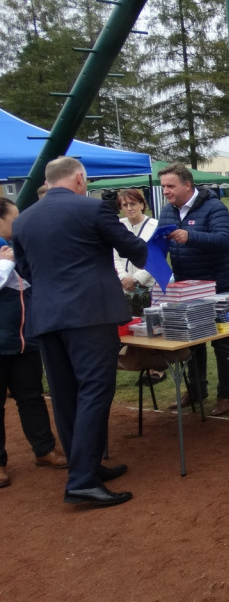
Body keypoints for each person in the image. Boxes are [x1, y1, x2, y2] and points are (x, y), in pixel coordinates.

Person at [12, 157, 146, 507]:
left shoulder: (23, 219)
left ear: (48, 181)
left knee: (65, 394)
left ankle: (85, 466)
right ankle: (83, 480)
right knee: (95, 390)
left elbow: (25, 269)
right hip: (90, 314)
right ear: (79, 179)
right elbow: (135, 250)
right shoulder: (93, 209)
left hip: (47, 316)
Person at [157, 163, 229, 416]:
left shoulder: (214, 207)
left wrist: (190, 236)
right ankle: (196, 390)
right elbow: (161, 246)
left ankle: (226, 395)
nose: (166, 191)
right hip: (185, 288)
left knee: (222, 341)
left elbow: (226, 241)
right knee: (191, 341)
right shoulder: (167, 211)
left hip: (217, 285)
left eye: (170, 186)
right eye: (163, 187)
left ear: (187, 185)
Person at [0, 197, 66, 489]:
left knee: (32, 396)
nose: (19, 223)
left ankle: (44, 449)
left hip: (26, 338)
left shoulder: (17, 246)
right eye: (14, 218)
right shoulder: (7, 254)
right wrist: (6, 263)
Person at [114, 188, 156, 315]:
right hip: (123, 287)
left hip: (148, 287)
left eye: (133, 204)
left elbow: (156, 258)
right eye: (125, 205)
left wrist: (136, 279)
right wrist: (123, 278)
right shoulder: (117, 226)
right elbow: (114, 256)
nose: (129, 208)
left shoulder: (155, 226)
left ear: (142, 205)